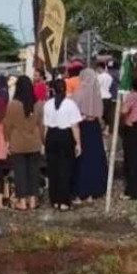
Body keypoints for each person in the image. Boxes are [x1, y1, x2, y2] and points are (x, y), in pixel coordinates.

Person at [4, 75, 44, 210]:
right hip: (34, 143)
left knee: (19, 173)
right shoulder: (38, 104)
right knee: (33, 172)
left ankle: (21, 202)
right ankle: (33, 200)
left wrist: (7, 141)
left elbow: (7, 126)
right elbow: (41, 125)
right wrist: (43, 140)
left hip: (17, 143)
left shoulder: (13, 105)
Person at [43, 79, 82, 211]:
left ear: (52, 90)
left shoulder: (47, 104)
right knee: (65, 169)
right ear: (65, 89)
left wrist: (44, 142)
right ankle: (63, 201)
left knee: (53, 168)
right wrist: (78, 143)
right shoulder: (71, 104)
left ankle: (54, 200)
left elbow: (46, 127)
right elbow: (75, 126)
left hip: (51, 136)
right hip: (65, 136)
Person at [72, 71, 108, 203]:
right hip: (94, 128)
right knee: (95, 158)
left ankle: (82, 191)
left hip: (82, 127)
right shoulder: (97, 94)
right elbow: (100, 113)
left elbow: (73, 110)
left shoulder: (79, 92)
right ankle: (95, 190)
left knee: (82, 160)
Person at [96, 61, 116, 135]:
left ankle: (99, 129)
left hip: (100, 97)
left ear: (99, 67)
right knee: (107, 114)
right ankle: (107, 130)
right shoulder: (109, 77)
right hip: (108, 96)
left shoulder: (99, 77)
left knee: (99, 114)